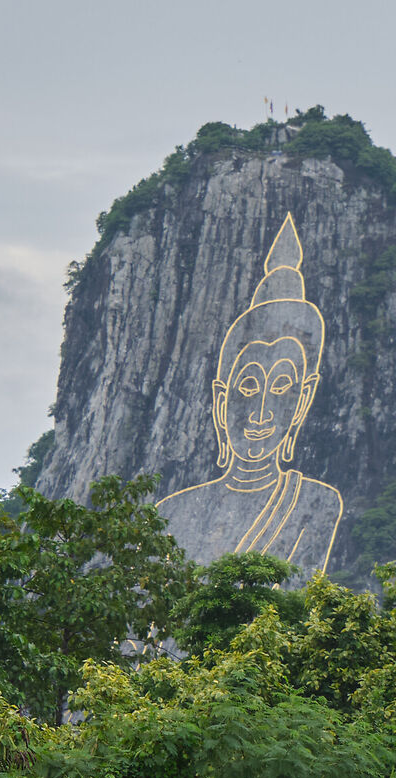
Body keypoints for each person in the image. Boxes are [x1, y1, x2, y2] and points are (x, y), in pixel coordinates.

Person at [154, 212, 343, 577]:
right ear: (221, 400)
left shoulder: (316, 503)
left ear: (303, 401)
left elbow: (295, 610)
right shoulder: (171, 513)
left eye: (281, 387)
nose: (261, 412)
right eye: (249, 385)